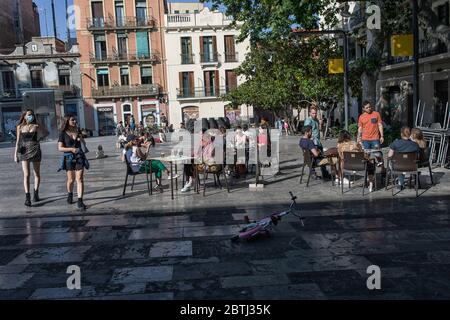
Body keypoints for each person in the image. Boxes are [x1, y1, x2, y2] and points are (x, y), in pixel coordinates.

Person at [14, 109, 49, 206]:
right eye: (29, 115)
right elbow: (17, 141)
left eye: (32, 115)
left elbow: (46, 132)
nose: (31, 116)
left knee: (36, 173)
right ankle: (27, 197)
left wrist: (40, 139)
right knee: (26, 175)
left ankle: (36, 193)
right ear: (24, 116)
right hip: (24, 151)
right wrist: (15, 154)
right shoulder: (20, 127)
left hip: (35, 150)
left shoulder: (36, 126)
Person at [58, 115, 89, 210]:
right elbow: (60, 148)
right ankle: (70, 194)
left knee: (79, 179)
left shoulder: (78, 131)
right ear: (67, 121)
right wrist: (71, 149)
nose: (75, 121)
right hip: (69, 158)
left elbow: (84, 145)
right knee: (71, 180)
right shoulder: (62, 133)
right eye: (72, 120)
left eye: (75, 119)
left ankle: (80, 200)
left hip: (79, 157)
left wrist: (81, 138)